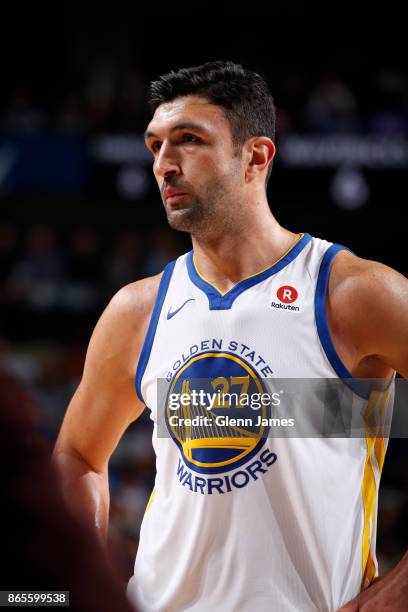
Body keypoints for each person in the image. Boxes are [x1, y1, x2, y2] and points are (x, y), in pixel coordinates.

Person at [53, 61, 408, 611]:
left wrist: (397, 591)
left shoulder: (355, 293)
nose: (164, 165)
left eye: (188, 140)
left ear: (256, 156)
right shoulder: (137, 310)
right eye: (154, 146)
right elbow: (77, 455)